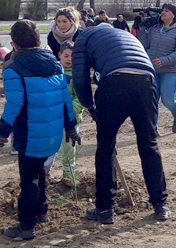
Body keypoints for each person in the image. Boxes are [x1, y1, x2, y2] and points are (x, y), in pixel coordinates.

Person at [0, 20, 78, 240]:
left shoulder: (14, 67)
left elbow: (15, 104)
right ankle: (40, 211)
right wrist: (71, 128)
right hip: (53, 133)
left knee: (28, 179)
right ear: (39, 40)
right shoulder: (55, 63)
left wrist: (2, 133)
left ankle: (26, 226)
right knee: (40, 172)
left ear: (14, 44)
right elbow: (66, 99)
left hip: (29, 134)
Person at [72, 23, 170, 223]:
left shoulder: (83, 39)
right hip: (146, 82)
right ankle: (161, 205)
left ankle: (105, 209)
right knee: (149, 144)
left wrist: (89, 107)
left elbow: (80, 79)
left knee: (106, 147)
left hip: (115, 83)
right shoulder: (125, 35)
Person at [138, 3, 176, 133]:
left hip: (171, 70)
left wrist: (164, 60)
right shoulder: (155, 28)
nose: (163, 12)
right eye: (162, 10)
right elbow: (144, 44)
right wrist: (141, 29)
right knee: (152, 100)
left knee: (168, 100)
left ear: (174, 14)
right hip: (153, 70)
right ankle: (154, 128)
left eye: (166, 11)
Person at [56, 41, 84, 176]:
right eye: (66, 56)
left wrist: (69, 110)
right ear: (59, 55)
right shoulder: (54, 73)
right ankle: (45, 171)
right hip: (55, 117)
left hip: (72, 118)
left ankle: (69, 172)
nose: (69, 59)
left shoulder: (78, 74)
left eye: (72, 57)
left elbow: (80, 97)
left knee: (69, 145)